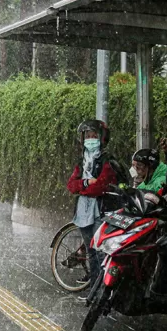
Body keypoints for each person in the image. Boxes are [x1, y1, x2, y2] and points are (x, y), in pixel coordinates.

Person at [67, 120, 122, 290]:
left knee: (100, 252)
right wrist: (86, 183)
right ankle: (94, 287)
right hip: (83, 212)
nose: (90, 139)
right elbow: (71, 185)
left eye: (94, 136)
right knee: (90, 251)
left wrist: (83, 186)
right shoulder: (81, 161)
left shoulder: (107, 160)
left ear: (102, 138)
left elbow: (101, 186)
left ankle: (103, 289)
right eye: (87, 136)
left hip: (101, 209)